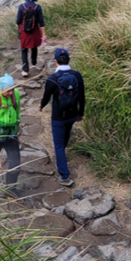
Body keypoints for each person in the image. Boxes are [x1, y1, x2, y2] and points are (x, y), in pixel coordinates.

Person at [39, 48, 85, 187]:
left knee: (58, 146)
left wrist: (41, 106)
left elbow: (46, 97)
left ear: (56, 61)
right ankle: (62, 159)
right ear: (68, 60)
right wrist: (80, 113)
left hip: (58, 116)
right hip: (72, 114)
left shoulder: (52, 79)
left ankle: (65, 176)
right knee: (66, 135)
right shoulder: (77, 76)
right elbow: (82, 97)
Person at [17, 0, 46, 78]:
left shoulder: (21, 7)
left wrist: (19, 30)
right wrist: (44, 34)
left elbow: (18, 21)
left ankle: (25, 70)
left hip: (24, 31)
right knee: (34, 46)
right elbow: (41, 22)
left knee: (24, 49)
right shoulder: (38, 7)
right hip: (35, 30)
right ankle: (34, 63)